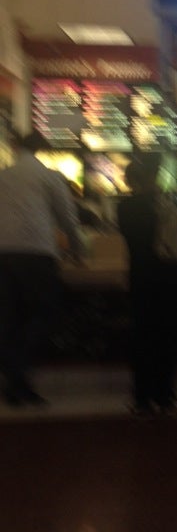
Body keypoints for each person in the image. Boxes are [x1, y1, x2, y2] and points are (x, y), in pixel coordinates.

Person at [0, 129, 84, 406]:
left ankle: (16, 382)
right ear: (41, 150)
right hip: (37, 253)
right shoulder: (49, 176)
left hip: (3, 255)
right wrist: (77, 251)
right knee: (45, 315)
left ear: (17, 148)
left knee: (9, 320)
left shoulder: (3, 176)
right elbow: (68, 219)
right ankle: (18, 375)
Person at [116, 153, 177, 415]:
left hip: (141, 279)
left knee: (143, 339)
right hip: (171, 280)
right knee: (169, 338)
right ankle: (166, 396)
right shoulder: (170, 205)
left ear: (132, 180)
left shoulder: (125, 208)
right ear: (156, 176)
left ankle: (142, 398)